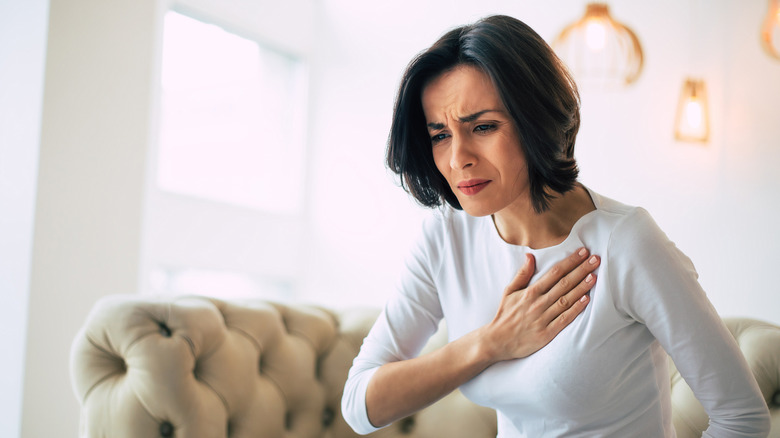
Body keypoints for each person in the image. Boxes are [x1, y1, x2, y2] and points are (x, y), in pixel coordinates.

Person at [341, 14, 770, 437]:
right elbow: (360, 406)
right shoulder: (445, 239)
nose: (458, 159)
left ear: (537, 122)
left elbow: (742, 419)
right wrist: (491, 342)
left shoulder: (627, 243)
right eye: (440, 135)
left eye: (483, 126)